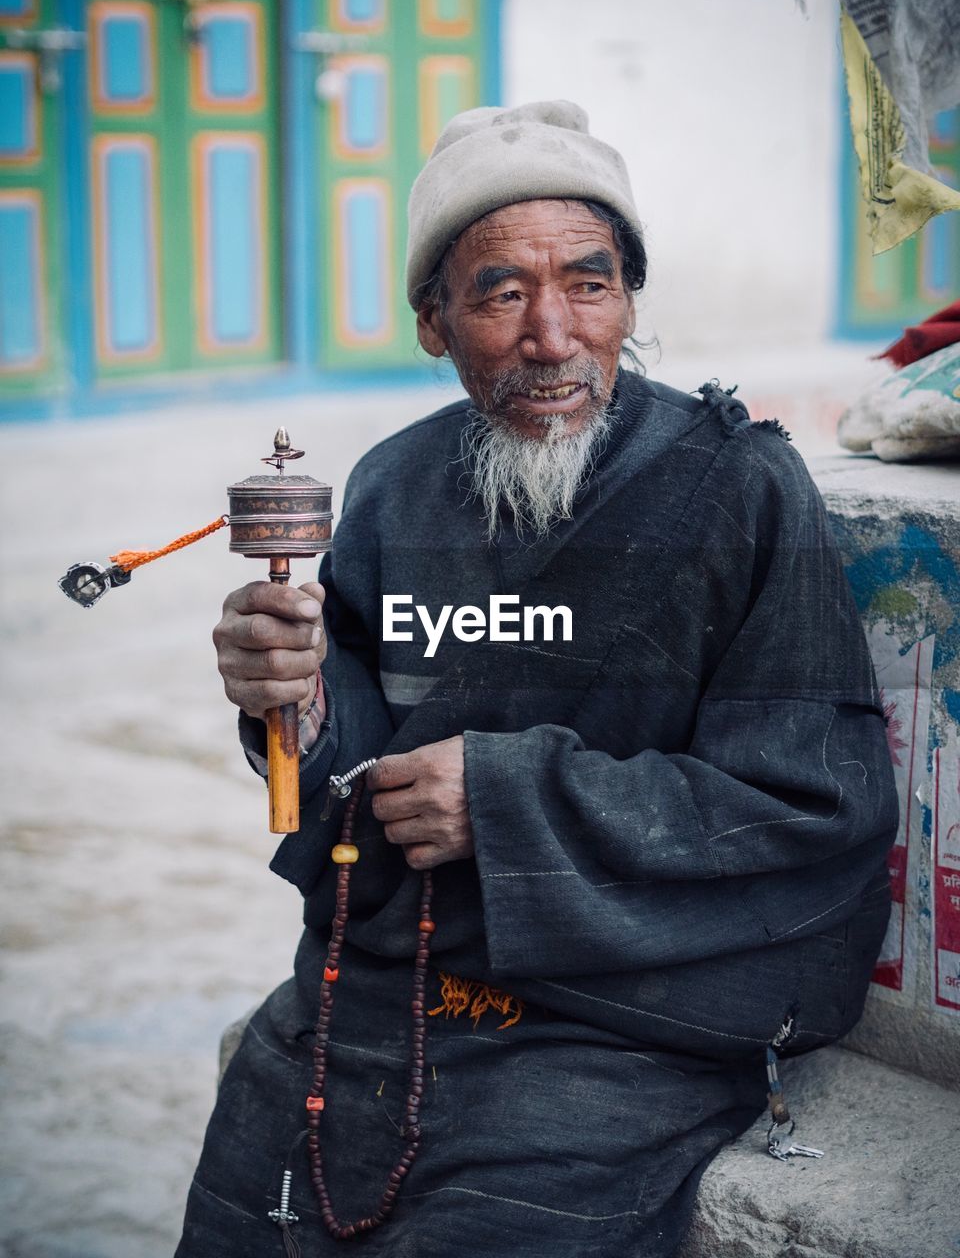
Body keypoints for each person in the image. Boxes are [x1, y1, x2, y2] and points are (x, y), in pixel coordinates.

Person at [176, 101, 897, 1258]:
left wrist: (504, 799)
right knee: (245, 1217)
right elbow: (345, 759)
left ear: (628, 302)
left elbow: (814, 799)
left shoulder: (741, 489)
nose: (552, 335)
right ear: (433, 322)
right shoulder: (396, 487)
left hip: (614, 1028)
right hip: (381, 991)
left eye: (590, 285)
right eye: (502, 292)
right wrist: (289, 699)